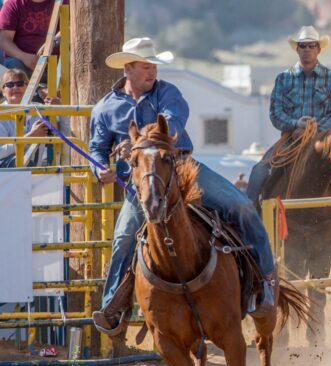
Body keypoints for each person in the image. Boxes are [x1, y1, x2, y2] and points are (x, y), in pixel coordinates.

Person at [89, 37, 276, 336]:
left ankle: (265, 281)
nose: (152, 72)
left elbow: (172, 126)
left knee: (240, 205)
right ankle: (114, 305)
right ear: (128, 69)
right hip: (142, 185)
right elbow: (97, 148)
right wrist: (100, 169)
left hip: (183, 169)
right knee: (124, 236)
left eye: (153, 66)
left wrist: (140, 144)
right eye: (145, 66)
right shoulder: (105, 108)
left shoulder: (168, 93)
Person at [246, 26, 331, 201]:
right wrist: (295, 125)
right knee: (259, 171)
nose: (307, 49)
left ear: (318, 49)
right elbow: (275, 113)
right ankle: (248, 216)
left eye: (311, 45)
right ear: (297, 49)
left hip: (323, 140)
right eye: (302, 46)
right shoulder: (283, 78)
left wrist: (313, 130)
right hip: (290, 140)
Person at [0, 0, 66, 75]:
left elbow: (72, 26)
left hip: (56, 65)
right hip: (23, 65)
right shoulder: (13, 4)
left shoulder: (63, 2)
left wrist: (52, 42)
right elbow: (3, 38)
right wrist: (25, 57)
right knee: (14, 64)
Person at [0, 67, 48, 167]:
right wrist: (30, 137)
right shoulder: (1, 113)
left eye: (20, 84)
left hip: (35, 172)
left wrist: (58, 108)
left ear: (28, 88)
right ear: (3, 91)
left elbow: (65, 134)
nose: (15, 87)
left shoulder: (40, 109)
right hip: (6, 174)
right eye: (9, 85)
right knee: (21, 162)